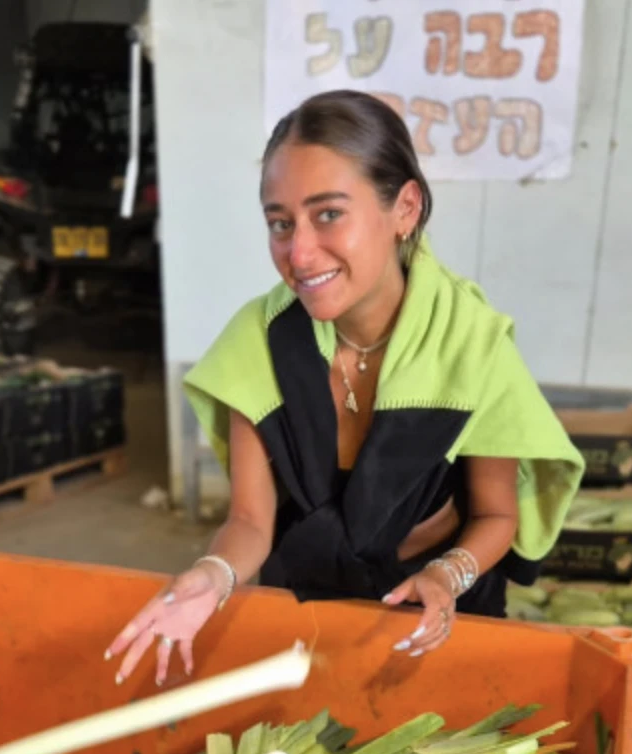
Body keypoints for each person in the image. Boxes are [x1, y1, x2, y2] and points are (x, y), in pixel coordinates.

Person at [106, 89, 584, 686]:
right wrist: (212, 574)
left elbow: (495, 514)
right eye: (280, 223)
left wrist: (446, 577)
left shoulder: (471, 345)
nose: (300, 253)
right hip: (305, 605)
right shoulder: (258, 342)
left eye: (328, 214)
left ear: (405, 207)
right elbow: (251, 521)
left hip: (437, 615)